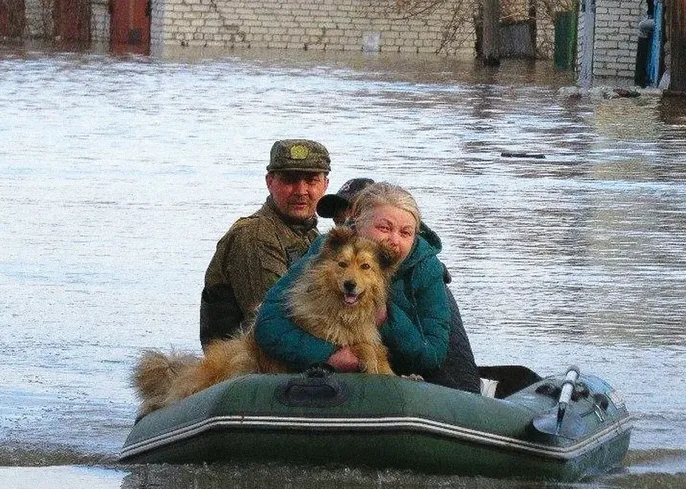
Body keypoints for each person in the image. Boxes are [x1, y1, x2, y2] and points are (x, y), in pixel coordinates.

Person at [254, 181, 481, 393]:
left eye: (405, 233)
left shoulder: (427, 269)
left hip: (413, 382)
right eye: (384, 228)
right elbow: (268, 323)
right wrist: (328, 355)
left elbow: (432, 355)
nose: (394, 240)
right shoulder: (330, 251)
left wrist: (387, 320)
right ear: (358, 222)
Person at [199, 139, 330, 347]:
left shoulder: (311, 235)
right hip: (245, 361)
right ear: (270, 182)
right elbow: (267, 319)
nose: (301, 190)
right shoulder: (254, 235)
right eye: (289, 180)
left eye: (311, 180)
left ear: (325, 185)